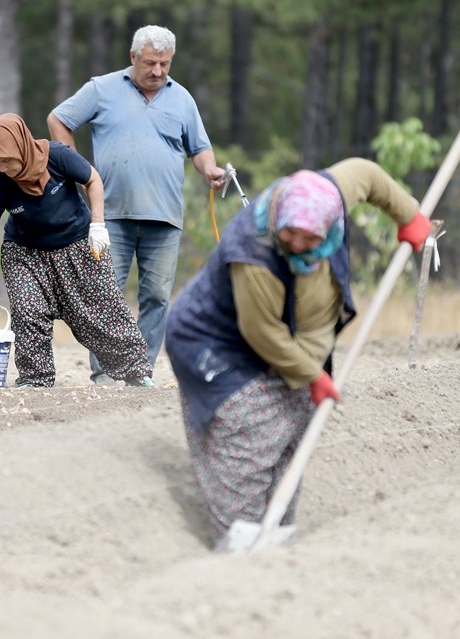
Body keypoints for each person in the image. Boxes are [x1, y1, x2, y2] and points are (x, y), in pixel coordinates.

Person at [164, 159, 432, 552]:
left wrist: (408, 215)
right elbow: (264, 332)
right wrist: (314, 375)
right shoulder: (254, 256)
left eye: (310, 237)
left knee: (295, 422)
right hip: (212, 341)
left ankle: (278, 537)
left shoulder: (327, 193)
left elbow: (368, 174)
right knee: (247, 430)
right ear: (279, 221)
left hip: (281, 340)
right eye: (289, 233)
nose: (297, 244)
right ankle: (242, 539)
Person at [48, 24, 227, 385]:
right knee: (103, 294)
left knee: (157, 297)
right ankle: (104, 374)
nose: (158, 71)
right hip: (109, 214)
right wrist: (79, 170)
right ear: (133, 58)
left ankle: (138, 372)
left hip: (164, 216)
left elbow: (199, 148)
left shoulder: (182, 99)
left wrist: (210, 170)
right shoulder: (102, 89)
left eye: (165, 64)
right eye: (150, 63)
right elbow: (59, 119)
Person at [0, 112, 154, 389]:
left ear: (21, 146)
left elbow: (93, 180)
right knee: (27, 309)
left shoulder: (57, 156)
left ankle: (136, 372)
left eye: (6, 160)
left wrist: (98, 226)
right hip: (26, 254)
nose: (2, 167)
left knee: (103, 310)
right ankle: (35, 379)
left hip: (77, 244)